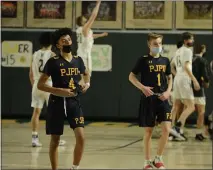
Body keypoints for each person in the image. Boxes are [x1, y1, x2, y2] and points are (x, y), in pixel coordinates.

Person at [37, 28, 90, 170]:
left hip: (74, 102)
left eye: (69, 39)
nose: (67, 41)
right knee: (55, 140)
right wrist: (59, 90)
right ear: (58, 45)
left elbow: (86, 73)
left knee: (81, 137)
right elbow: (40, 85)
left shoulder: (78, 60)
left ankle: (75, 167)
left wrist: (87, 83)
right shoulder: (53, 62)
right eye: (63, 40)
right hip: (56, 103)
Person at [129, 33, 173, 169]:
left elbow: (170, 77)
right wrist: (142, 88)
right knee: (148, 131)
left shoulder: (165, 60)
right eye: (155, 44)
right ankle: (147, 161)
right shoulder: (143, 60)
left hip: (163, 98)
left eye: (160, 43)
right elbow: (131, 76)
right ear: (149, 45)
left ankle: (158, 158)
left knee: (166, 129)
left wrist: (168, 91)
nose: (158, 46)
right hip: (149, 99)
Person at [29, 32, 65, 147]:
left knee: (36, 112)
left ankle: (34, 138)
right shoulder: (52, 55)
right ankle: (56, 139)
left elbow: (30, 74)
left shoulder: (35, 54)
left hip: (37, 85)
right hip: (49, 86)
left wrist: (35, 86)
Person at [170, 32, 200, 141]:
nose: (193, 41)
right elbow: (186, 66)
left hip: (177, 78)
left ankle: (171, 131)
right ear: (185, 41)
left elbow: (171, 66)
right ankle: (177, 128)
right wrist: (195, 80)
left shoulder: (178, 51)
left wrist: (177, 75)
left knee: (176, 106)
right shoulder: (187, 51)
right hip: (184, 79)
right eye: (191, 39)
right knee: (191, 106)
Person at [76, 0, 108, 76]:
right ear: (81, 21)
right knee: (84, 79)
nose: (86, 19)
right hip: (84, 56)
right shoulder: (84, 29)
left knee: (86, 79)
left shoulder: (83, 30)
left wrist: (100, 35)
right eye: (84, 19)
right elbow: (93, 17)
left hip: (84, 55)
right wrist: (98, 4)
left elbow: (90, 36)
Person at [192, 44, 210, 141]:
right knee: (201, 112)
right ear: (202, 50)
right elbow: (205, 75)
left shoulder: (190, 59)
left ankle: (178, 130)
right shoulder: (202, 61)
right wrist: (206, 82)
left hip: (188, 89)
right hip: (198, 89)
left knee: (182, 110)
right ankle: (198, 133)